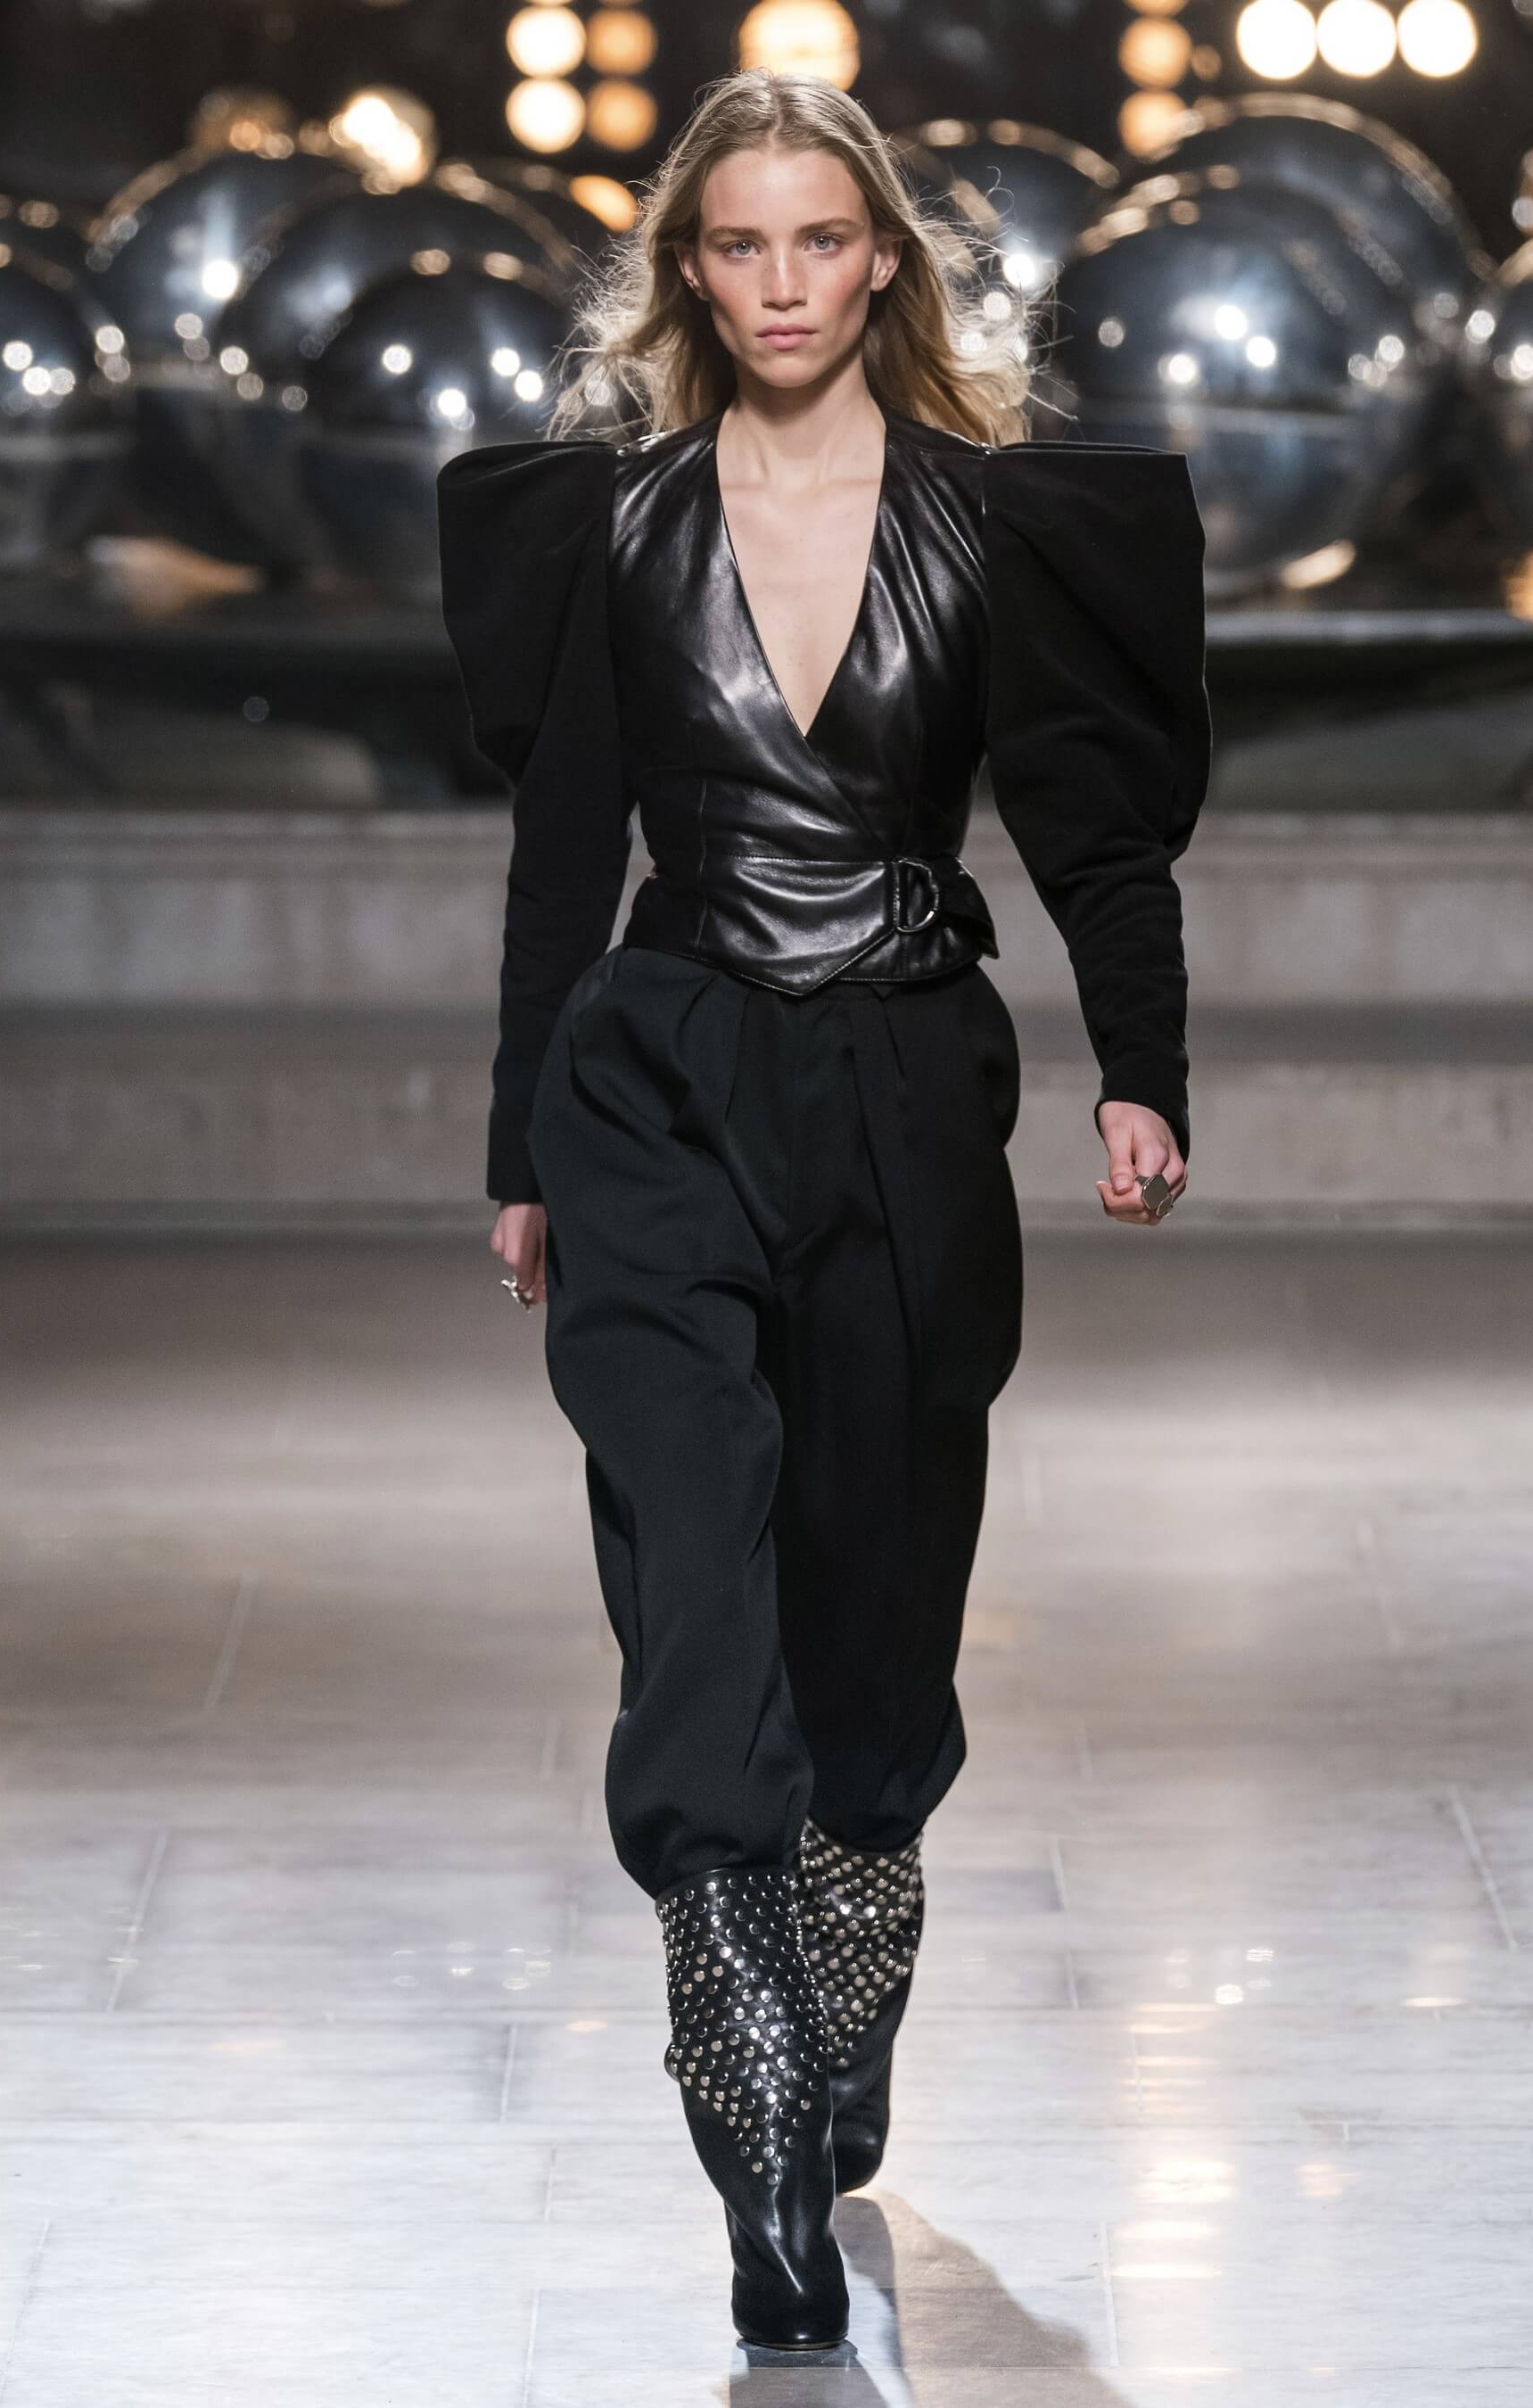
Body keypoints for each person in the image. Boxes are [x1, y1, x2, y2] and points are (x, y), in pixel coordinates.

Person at [436, 68, 1209, 2358]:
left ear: (883, 262)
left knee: (874, 1603)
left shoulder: (998, 523)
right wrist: (520, 1147)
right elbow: (561, 855)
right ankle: (754, 2080)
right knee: (693, 1566)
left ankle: (850, 1922)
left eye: (818, 240)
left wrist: (1144, 1068)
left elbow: (1087, 825)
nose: (779, 284)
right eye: (736, 244)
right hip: (658, 1077)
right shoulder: (610, 525)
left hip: (900, 1089)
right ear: (692, 272)